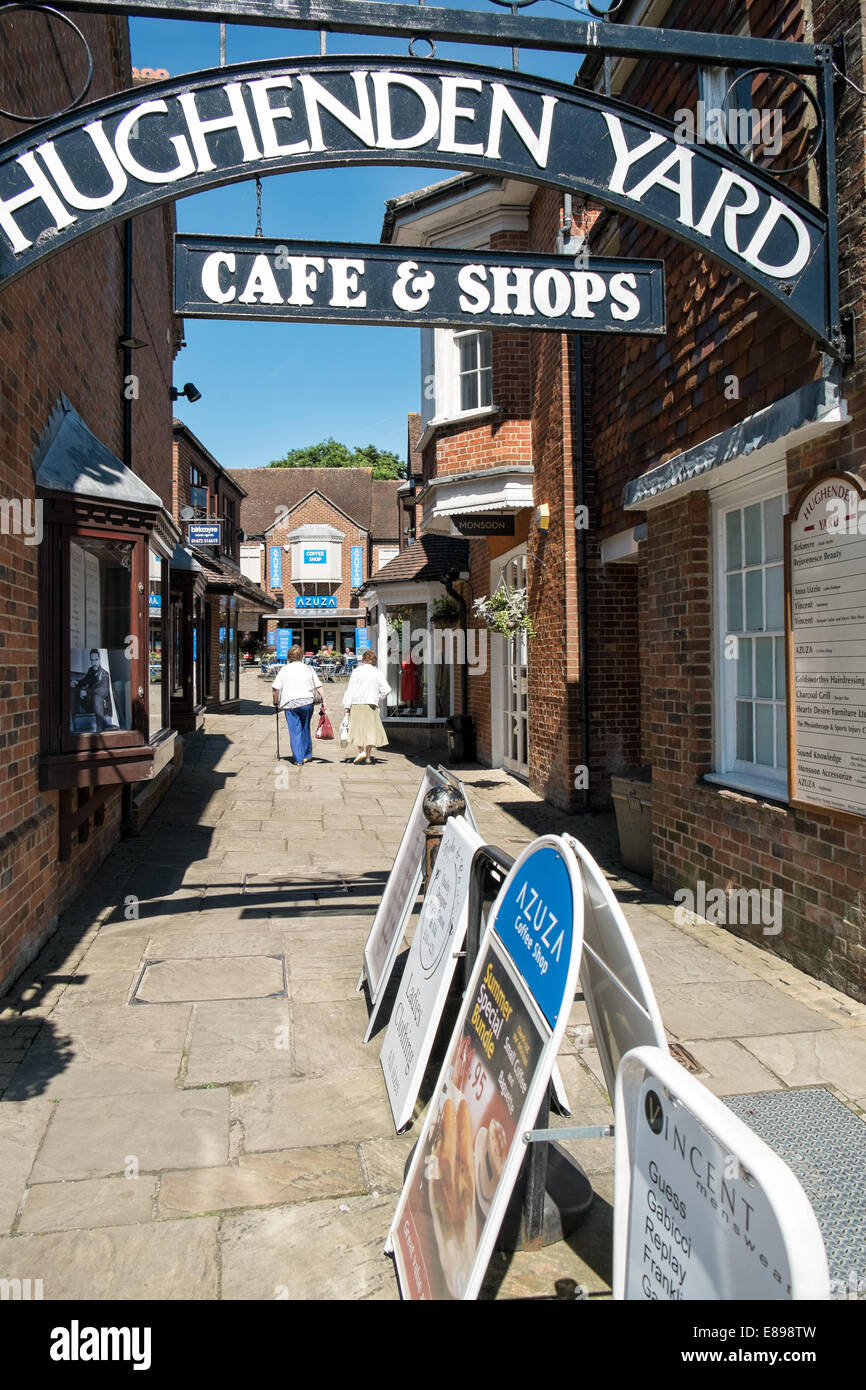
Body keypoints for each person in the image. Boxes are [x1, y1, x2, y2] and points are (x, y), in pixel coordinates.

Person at [272, 644, 323, 764]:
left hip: (290, 704)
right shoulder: (308, 668)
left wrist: (275, 701)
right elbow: (318, 685)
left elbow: (275, 687)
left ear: (289, 656)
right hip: (306, 702)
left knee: (295, 730)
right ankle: (307, 754)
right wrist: (324, 700)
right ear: (301, 656)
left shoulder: (284, 669)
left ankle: (298, 759)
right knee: (305, 728)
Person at [343, 649, 390, 764]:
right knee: (369, 731)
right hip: (371, 705)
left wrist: (347, 705)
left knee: (358, 730)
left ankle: (361, 752)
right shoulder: (377, 672)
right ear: (373, 661)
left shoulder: (356, 671)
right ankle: (368, 756)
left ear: (363, 659)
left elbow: (351, 690)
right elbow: (387, 690)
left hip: (357, 703)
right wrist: (378, 697)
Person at [74, 648, 117, 730]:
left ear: (99, 659)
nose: (94, 663)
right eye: (92, 660)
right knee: (76, 691)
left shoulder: (104, 674)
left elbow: (103, 691)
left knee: (97, 696)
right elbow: (84, 681)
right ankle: (71, 723)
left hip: (102, 707)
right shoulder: (91, 671)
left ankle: (99, 728)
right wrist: (76, 682)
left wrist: (87, 692)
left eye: (96, 659)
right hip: (91, 704)